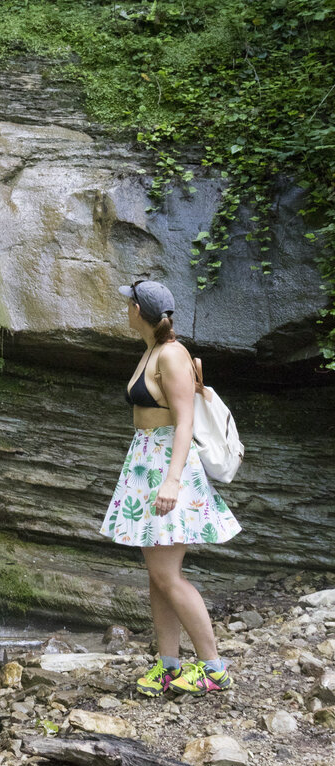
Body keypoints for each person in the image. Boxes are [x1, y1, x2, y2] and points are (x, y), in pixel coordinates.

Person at [100, 279, 241, 697]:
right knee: (158, 577)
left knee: (168, 576)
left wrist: (173, 481)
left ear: (139, 311)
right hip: (145, 462)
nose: (125, 309)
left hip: (167, 465)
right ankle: (168, 666)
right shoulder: (151, 351)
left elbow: (185, 422)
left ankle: (213, 669)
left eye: (129, 303)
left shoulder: (173, 355)